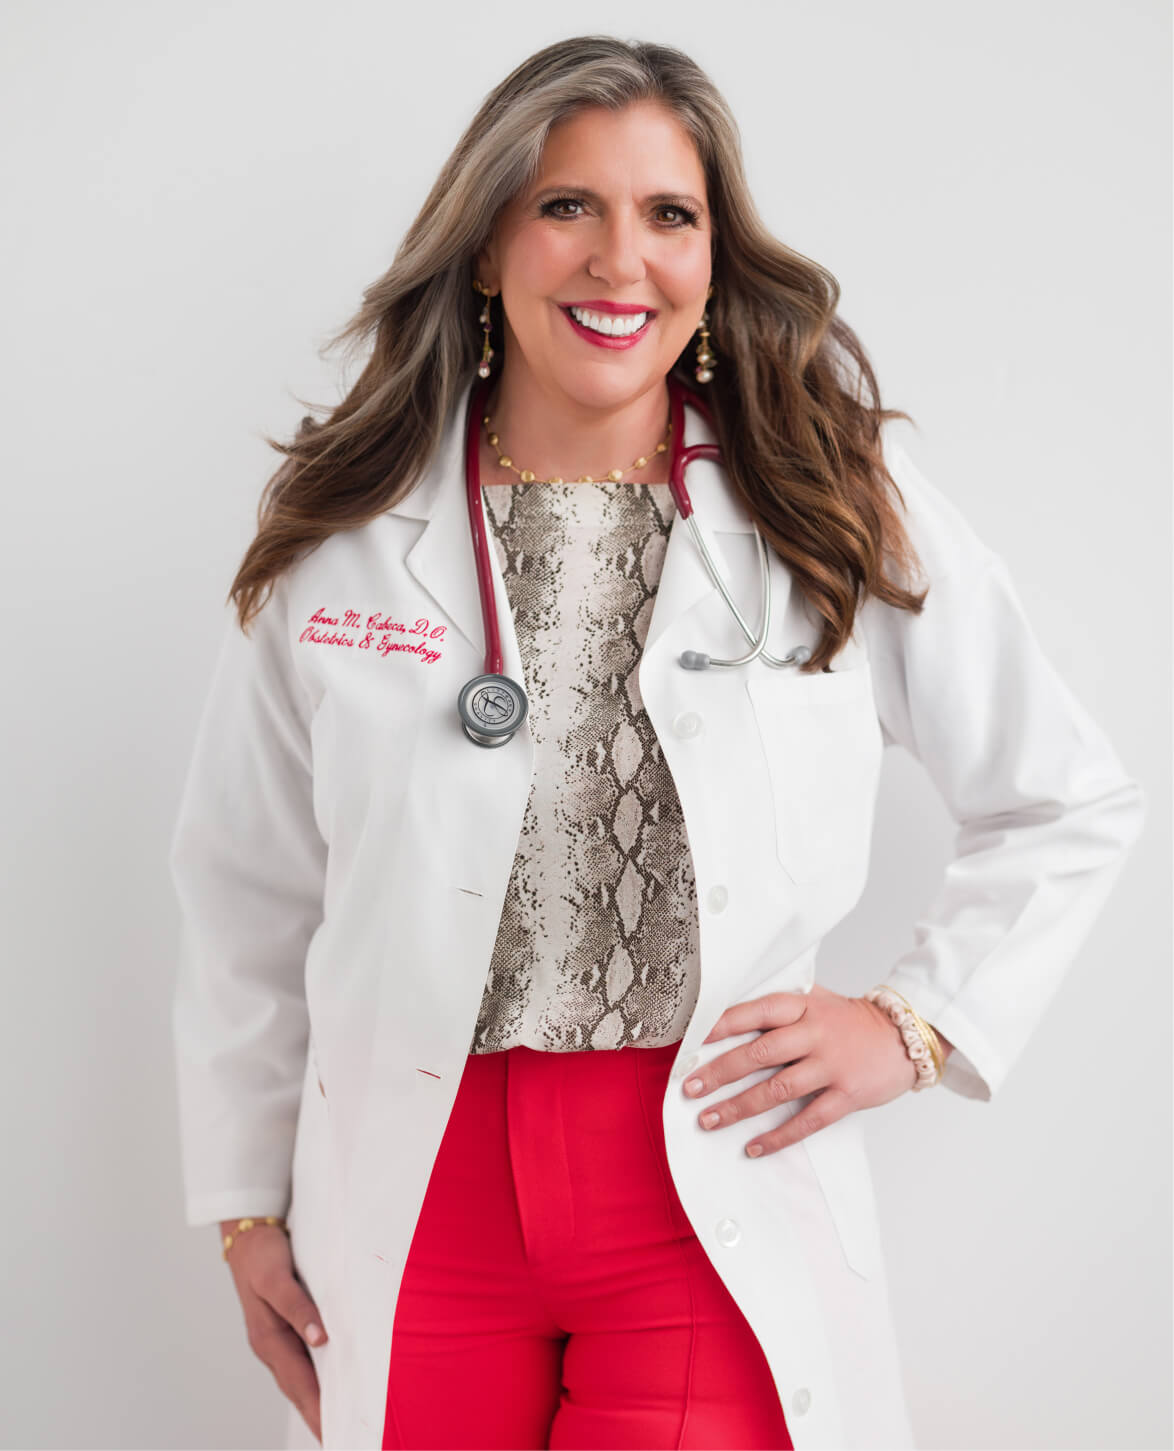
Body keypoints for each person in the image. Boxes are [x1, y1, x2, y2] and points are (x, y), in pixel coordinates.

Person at [168, 34, 1147, 1451]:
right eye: (568, 205)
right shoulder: (345, 538)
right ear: (489, 237)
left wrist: (916, 1024)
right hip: (410, 1189)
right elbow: (245, 890)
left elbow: (1065, 797)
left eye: (667, 215)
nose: (618, 260)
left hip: (703, 1178)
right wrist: (244, 1204)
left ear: (712, 254)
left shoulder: (827, 495)